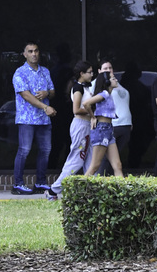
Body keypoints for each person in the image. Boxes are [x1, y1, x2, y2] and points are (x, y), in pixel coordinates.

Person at [11, 41, 57, 195]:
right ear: (24, 54)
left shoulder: (45, 71)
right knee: (24, 150)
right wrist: (45, 107)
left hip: (44, 119)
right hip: (27, 119)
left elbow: (52, 91)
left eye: (36, 51)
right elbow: (25, 95)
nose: (34, 54)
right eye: (30, 51)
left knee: (46, 150)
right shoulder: (19, 73)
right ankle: (17, 184)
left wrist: (46, 94)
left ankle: (41, 182)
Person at [48, 61, 95, 200]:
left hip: (88, 126)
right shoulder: (78, 88)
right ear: (82, 74)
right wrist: (92, 111)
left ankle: (89, 192)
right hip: (81, 125)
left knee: (91, 159)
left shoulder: (87, 87)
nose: (92, 74)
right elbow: (76, 109)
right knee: (76, 159)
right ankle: (54, 189)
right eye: (90, 72)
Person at [93, 59, 132, 175]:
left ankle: (113, 186)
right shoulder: (100, 86)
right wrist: (92, 117)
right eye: (105, 68)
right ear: (99, 71)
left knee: (116, 163)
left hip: (124, 125)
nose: (109, 70)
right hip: (109, 126)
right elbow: (87, 102)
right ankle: (95, 184)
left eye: (110, 68)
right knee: (99, 162)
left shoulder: (115, 83)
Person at [83, 71, 124, 177]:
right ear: (107, 81)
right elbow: (86, 104)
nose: (116, 80)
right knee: (95, 166)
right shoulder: (104, 94)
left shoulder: (109, 95)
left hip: (109, 130)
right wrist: (92, 117)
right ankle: (79, 189)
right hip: (102, 129)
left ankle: (122, 191)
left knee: (117, 165)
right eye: (113, 78)